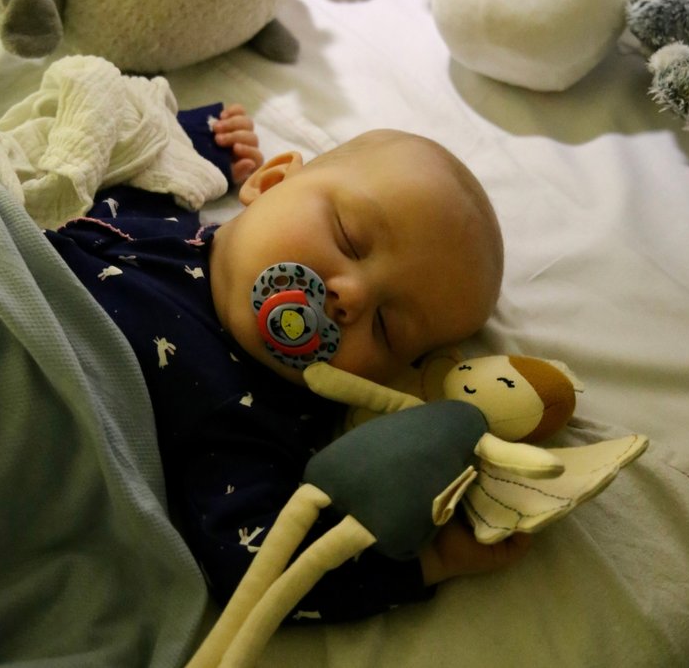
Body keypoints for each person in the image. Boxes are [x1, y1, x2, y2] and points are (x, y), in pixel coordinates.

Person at [45, 103, 528, 623]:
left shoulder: (254, 426)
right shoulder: (158, 218)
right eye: (349, 239)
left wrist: (429, 563)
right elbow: (122, 153)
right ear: (271, 181)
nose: (350, 297)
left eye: (387, 327)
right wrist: (209, 140)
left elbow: (266, 570)